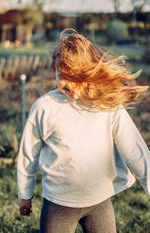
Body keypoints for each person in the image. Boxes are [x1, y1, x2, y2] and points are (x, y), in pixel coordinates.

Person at [17, 28, 150, 233]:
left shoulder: (107, 106)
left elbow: (135, 150)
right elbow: (28, 154)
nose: (68, 84)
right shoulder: (45, 107)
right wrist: (25, 193)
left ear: (90, 74)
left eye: (76, 77)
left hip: (99, 202)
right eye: (62, 75)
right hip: (58, 204)